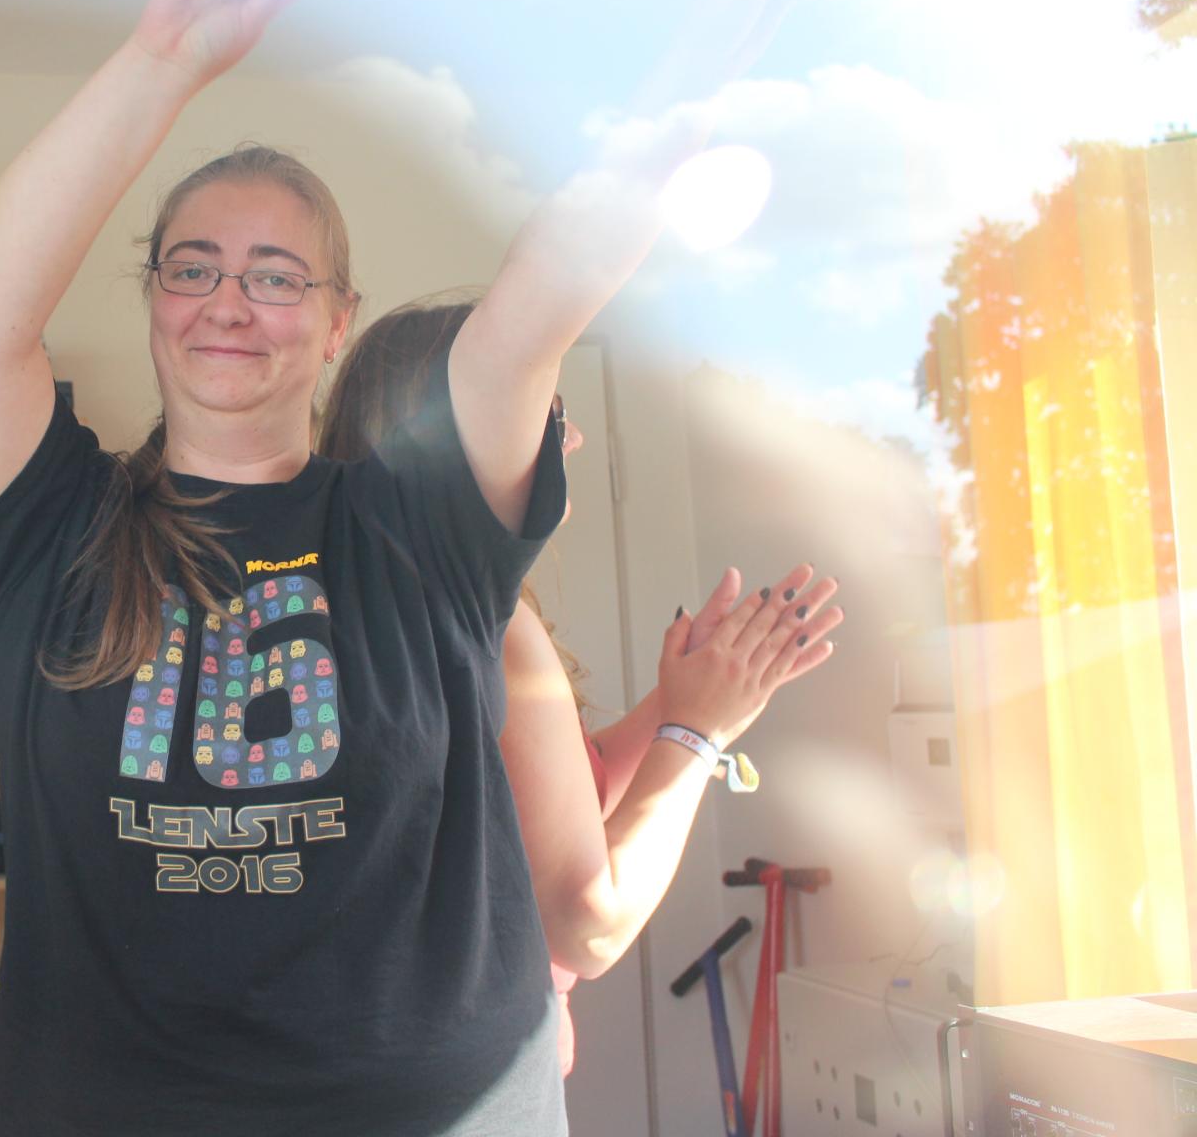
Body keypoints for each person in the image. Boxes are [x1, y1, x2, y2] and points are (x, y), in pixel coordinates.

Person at [0, 0, 813, 1135]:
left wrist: (695, 66)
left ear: (338, 322)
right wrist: (163, 61)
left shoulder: (418, 528)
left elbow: (540, 298)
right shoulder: (47, 532)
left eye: (277, 277)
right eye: (193, 267)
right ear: (155, 298)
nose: (230, 302)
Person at [318, 298, 842, 1075]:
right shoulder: (493, 632)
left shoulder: (366, 596)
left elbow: (533, 803)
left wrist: (683, 699)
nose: (572, 439)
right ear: (468, 438)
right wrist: (696, 736)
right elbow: (586, 929)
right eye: (551, 413)